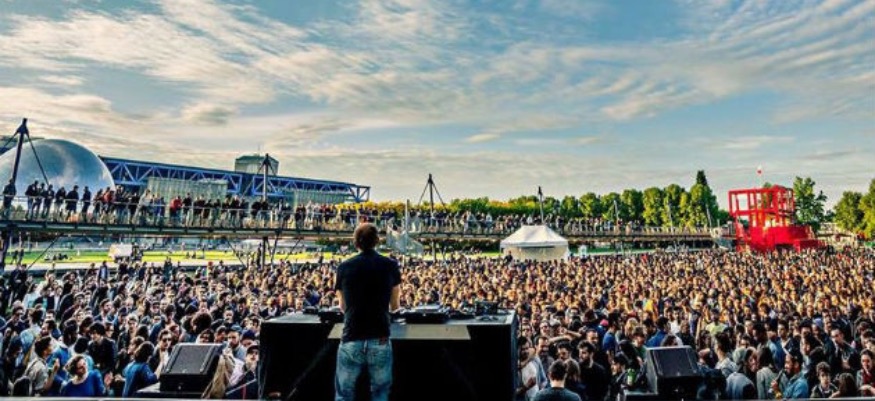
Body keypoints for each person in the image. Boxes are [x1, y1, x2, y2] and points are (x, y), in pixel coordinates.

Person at [333, 223, 401, 401]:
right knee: (380, 393)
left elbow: (342, 306)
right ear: (377, 241)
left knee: (344, 394)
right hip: (380, 335)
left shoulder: (344, 267)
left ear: (355, 242)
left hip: (351, 335)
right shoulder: (390, 265)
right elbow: (395, 305)